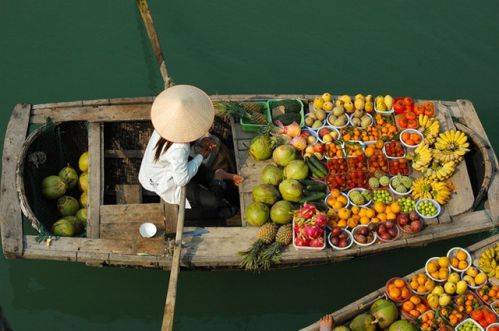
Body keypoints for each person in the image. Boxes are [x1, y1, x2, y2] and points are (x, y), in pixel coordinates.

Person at [138, 85, 242, 219]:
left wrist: (199, 142)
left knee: (201, 172)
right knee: (214, 202)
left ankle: (216, 177)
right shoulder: (180, 148)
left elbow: (178, 149)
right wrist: (200, 156)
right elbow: (181, 180)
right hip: (165, 180)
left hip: (159, 168)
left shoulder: (165, 123)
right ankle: (219, 176)